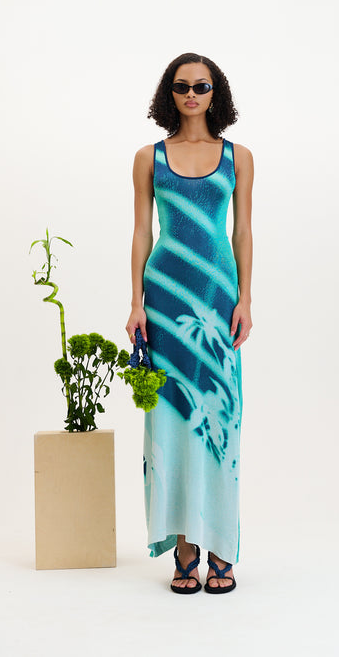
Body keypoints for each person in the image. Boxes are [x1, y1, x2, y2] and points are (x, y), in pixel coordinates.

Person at [126, 52, 253, 594]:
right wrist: (136, 302)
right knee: (171, 417)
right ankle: (183, 544)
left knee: (221, 415)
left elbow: (242, 231)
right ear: (169, 94)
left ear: (215, 92)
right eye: (182, 87)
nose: (192, 95)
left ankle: (221, 544)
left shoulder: (238, 156)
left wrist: (246, 298)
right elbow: (142, 232)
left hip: (217, 298)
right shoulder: (148, 158)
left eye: (202, 86)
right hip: (165, 298)